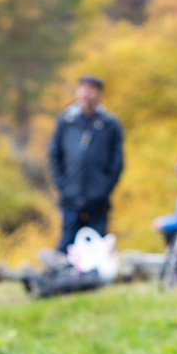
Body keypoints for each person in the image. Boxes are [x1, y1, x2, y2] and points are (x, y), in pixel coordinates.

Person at [48, 74, 124, 252]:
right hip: (71, 193)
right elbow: (54, 155)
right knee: (67, 240)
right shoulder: (66, 121)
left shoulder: (109, 124)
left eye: (91, 91)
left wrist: (105, 186)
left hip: (98, 195)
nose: (86, 95)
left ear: (99, 94)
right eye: (83, 90)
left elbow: (117, 160)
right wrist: (62, 184)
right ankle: (63, 275)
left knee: (97, 242)